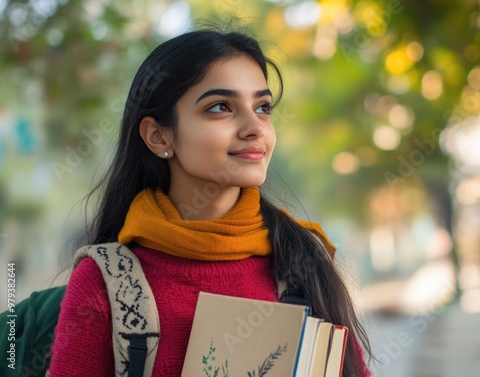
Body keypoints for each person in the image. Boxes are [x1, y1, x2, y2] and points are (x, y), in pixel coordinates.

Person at [48, 27, 372, 376]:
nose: (255, 128)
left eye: (262, 107)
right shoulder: (105, 283)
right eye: (220, 107)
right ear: (158, 136)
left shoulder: (302, 260)